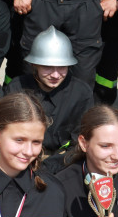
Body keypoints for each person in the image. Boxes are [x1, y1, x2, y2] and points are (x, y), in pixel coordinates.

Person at [5, 27, 94, 159]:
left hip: (65, 159)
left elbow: (84, 136)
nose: (55, 75)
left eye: (62, 67)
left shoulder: (81, 93)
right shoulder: (16, 89)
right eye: (47, 67)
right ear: (34, 65)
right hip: (22, 156)